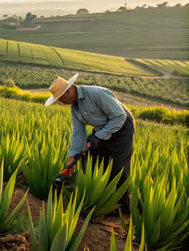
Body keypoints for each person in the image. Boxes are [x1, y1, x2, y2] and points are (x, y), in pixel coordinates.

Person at [45, 73, 135, 212]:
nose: (61, 102)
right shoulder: (74, 107)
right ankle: (98, 198)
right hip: (102, 129)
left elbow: (119, 116)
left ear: (68, 91)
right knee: (90, 160)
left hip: (122, 127)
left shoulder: (96, 94)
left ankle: (124, 206)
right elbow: (78, 132)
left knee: (118, 167)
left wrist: (98, 136)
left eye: (60, 98)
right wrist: (72, 157)